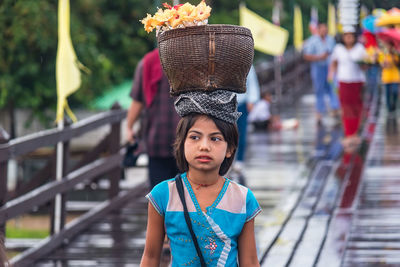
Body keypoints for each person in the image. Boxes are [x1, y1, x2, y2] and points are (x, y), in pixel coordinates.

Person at [140, 91, 261, 266]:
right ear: (182, 144)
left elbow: (249, 261)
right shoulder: (163, 195)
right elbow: (150, 257)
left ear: (230, 149)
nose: (204, 146)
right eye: (195, 137)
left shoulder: (243, 199)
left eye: (215, 138)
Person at [126, 48, 180, 189]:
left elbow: (138, 101)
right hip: (189, 140)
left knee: (160, 198)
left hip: (157, 139)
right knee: (189, 199)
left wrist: (129, 127)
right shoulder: (193, 59)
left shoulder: (147, 62)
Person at [328, 26, 367, 151]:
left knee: (356, 107)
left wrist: (364, 63)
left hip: (357, 81)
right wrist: (331, 75)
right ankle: (348, 133)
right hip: (343, 80)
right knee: (345, 107)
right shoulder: (338, 49)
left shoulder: (360, 49)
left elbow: (366, 65)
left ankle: (354, 133)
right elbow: (334, 63)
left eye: (351, 36)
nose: (349, 38)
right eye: (346, 36)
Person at [303, 23, 340, 125]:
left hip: (330, 67)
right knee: (319, 89)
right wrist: (319, 57)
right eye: (322, 30)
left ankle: (335, 108)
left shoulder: (330, 40)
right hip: (318, 66)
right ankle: (319, 112)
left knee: (333, 87)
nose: (324, 32)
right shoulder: (313, 41)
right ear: (318, 30)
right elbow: (306, 55)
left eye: (326, 30)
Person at [234, 65, 260, 172]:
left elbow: (252, 81)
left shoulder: (245, 59)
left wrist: (251, 100)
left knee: (241, 133)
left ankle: (239, 159)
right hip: (225, 102)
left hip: (241, 102)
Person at [378, 40, 400, 118]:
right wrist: (385, 63)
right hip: (386, 77)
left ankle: (393, 107)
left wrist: (393, 57)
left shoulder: (395, 54)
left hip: (395, 77)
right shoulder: (383, 54)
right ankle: (389, 109)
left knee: (394, 92)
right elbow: (381, 65)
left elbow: (397, 64)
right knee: (387, 94)